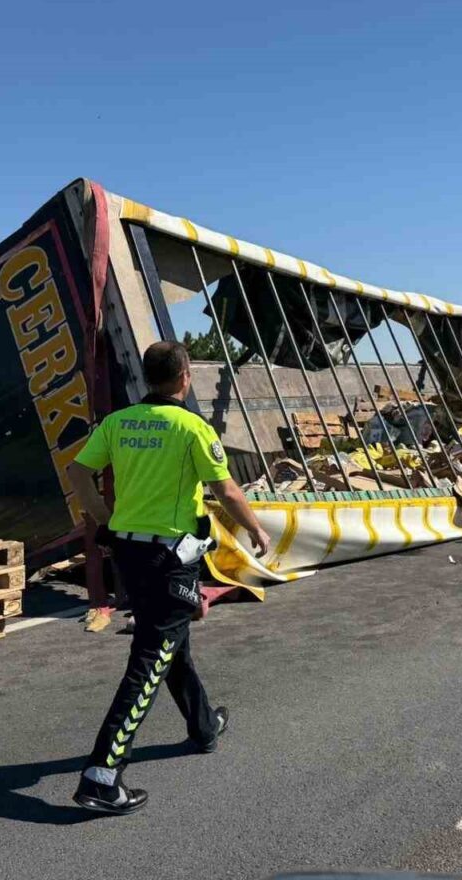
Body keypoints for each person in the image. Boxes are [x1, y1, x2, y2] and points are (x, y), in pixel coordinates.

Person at [66, 340, 272, 815]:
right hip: (169, 559)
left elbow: (78, 473)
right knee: (149, 662)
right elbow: (225, 488)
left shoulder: (117, 423)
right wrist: (255, 528)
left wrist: (105, 519)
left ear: (146, 378)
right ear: (185, 377)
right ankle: (102, 775)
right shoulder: (191, 428)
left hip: (130, 554)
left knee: (169, 642)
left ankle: (203, 727)